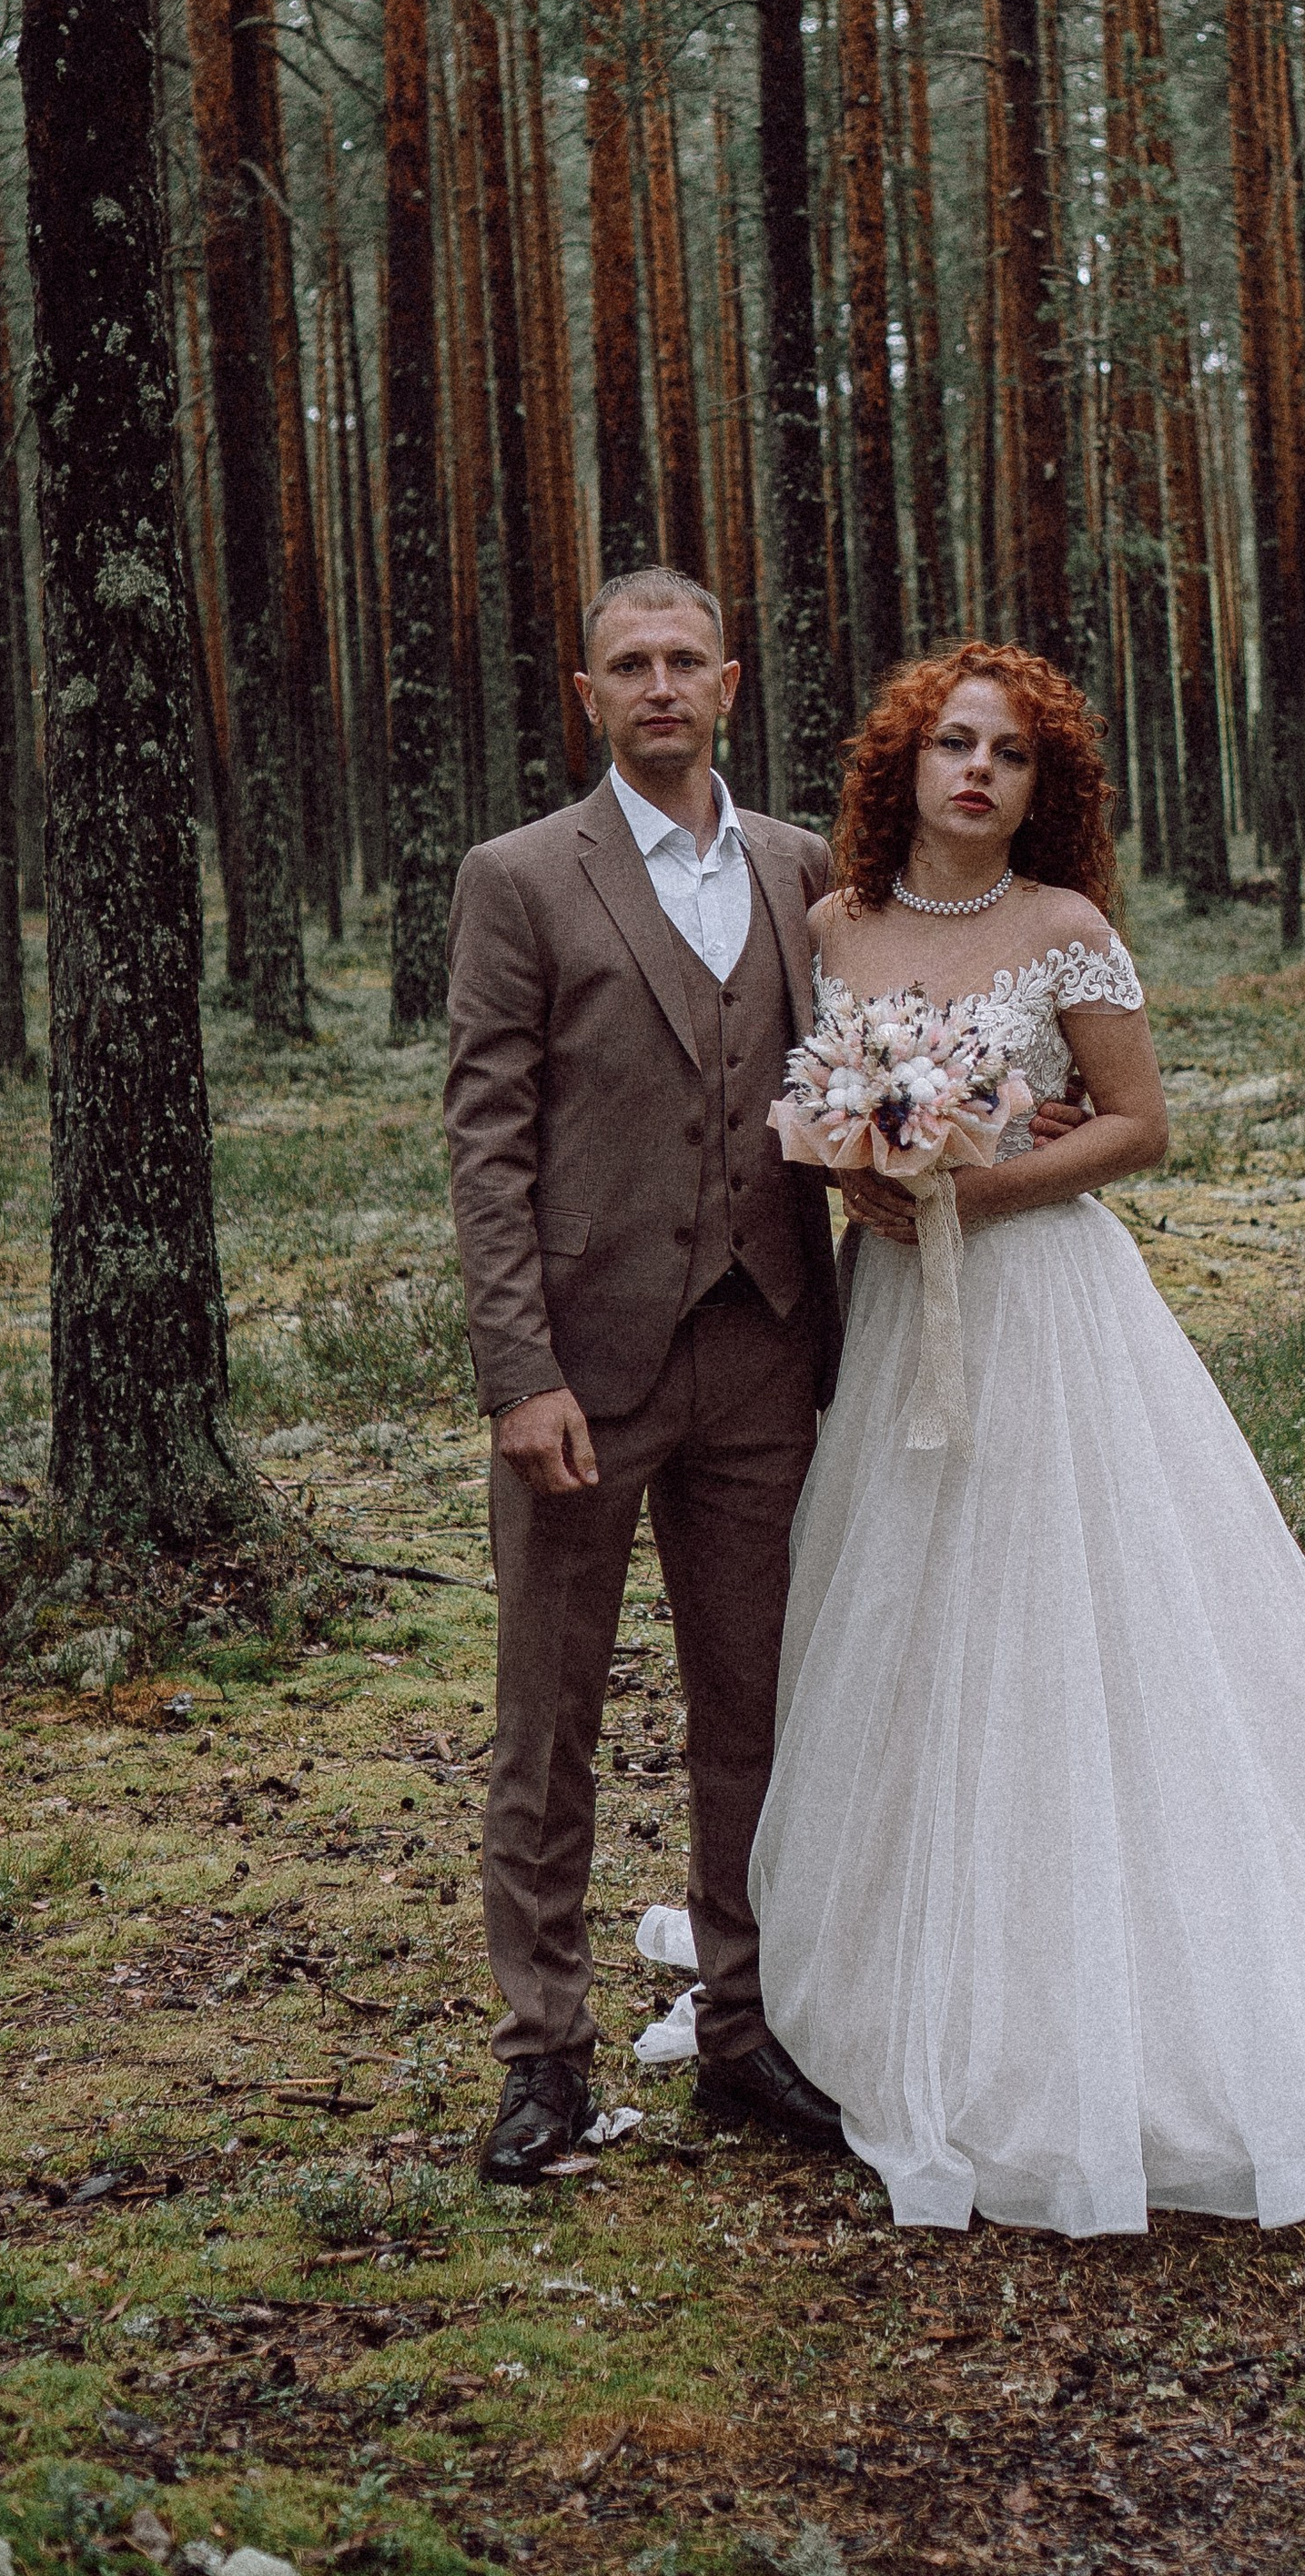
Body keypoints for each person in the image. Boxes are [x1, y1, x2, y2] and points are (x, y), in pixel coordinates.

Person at [749, 640, 1305, 2236]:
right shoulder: (835, 924)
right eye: (952, 744)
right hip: (897, 1316)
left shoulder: (1068, 934)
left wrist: (971, 1183)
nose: (977, 772)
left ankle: (1125, 1989)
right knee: (905, 1624)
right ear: (902, 764)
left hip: (1045, 1313)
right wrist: (862, 1175)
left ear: (1048, 787)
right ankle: (909, 1968)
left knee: (1076, 1618)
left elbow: (1138, 1127)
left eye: (1011, 755)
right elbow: (817, 1110)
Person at [442, 565, 853, 2183]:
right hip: (585, 1374)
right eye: (632, 663)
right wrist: (515, 1370)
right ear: (590, 696)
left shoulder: (799, 863)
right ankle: (541, 2059)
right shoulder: (522, 878)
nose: (662, 684)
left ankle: (747, 2036)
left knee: (753, 1709)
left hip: (765, 1351)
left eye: (687, 659)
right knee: (545, 1728)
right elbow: (486, 1141)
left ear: (731, 684)